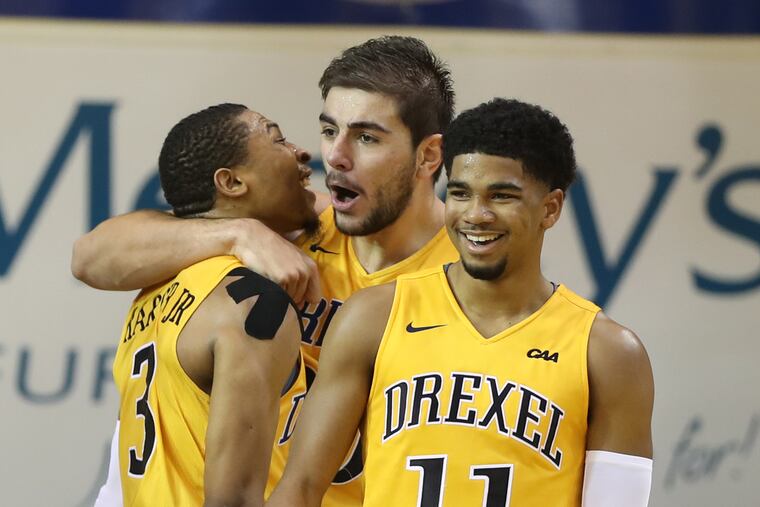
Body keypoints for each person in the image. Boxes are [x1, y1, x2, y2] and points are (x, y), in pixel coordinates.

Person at [73, 36, 458, 507]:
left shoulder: (469, 277)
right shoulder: (294, 225)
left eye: (366, 137)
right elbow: (91, 256)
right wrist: (237, 233)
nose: (334, 156)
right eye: (329, 130)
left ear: (429, 156)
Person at [266, 98, 655, 507]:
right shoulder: (372, 318)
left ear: (551, 208)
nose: (476, 215)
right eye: (460, 193)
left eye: (501, 196)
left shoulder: (608, 353)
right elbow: (301, 490)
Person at [96, 103, 317, 506]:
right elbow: (233, 499)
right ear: (231, 182)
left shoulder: (155, 284)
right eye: (277, 138)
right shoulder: (253, 304)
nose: (301, 152)